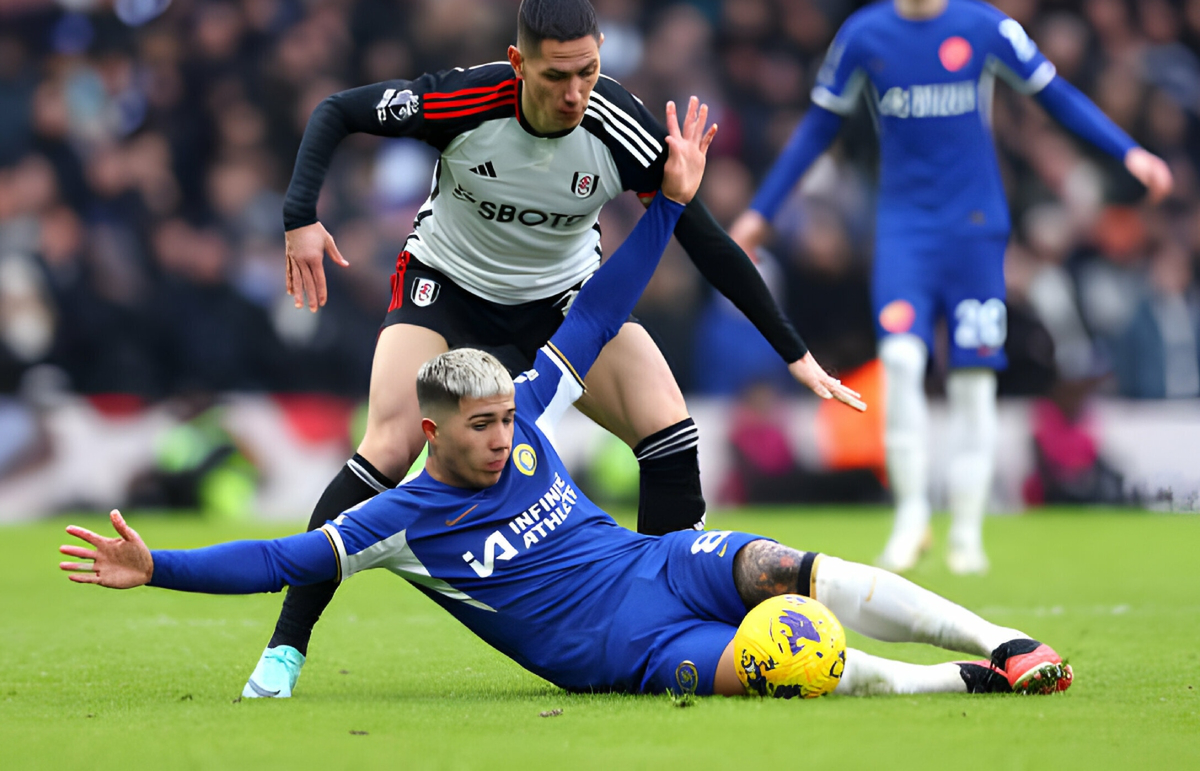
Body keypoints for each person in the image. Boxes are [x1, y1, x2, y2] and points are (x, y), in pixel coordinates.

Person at [59, 123, 1071, 699]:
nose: (505, 437)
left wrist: (668, 206)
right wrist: (158, 570)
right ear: (434, 435)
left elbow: (597, 311)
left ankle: (1003, 636)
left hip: (656, 563)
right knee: (789, 659)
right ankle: (964, 686)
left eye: (507, 421)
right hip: (619, 652)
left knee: (785, 567)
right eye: (485, 428)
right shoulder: (398, 523)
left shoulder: (529, 408)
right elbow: (280, 557)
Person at [266, 0, 864, 698]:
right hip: (448, 291)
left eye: (587, 71)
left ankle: (663, 618)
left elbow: (705, 240)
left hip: (562, 306)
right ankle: (286, 650)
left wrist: (793, 352)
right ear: (517, 63)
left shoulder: (618, 123)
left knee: (669, 429)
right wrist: (300, 215)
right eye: (556, 76)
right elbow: (337, 110)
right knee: (390, 445)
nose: (575, 91)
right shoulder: (462, 100)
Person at [730, 0, 1172, 576]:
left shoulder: (985, 27)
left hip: (975, 233)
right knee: (902, 366)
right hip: (906, 230)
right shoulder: (864, 35)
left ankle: (966, 530)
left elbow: (1058, 97)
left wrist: (1129, 152)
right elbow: (816, 131)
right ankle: (911, 518)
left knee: (972, 382)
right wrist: (761, 212)